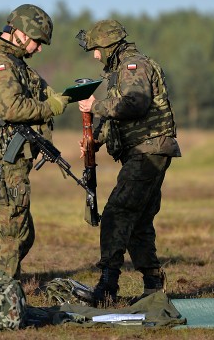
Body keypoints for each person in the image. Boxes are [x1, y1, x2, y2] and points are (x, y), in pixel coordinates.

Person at [76, 20, 181, 306]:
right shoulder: (121, 70)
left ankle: (108, 285)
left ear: (109, 46)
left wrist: (94, 106)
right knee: (138, 221)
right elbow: (121, 115)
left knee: (117, 213)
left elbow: (135, 104)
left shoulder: (133, 66)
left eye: (97, 50)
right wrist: (96, 139)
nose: (95, 55)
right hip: (146, 150)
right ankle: (152, 286)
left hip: (148, 151)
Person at [0, 4, 69, 279]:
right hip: (1, 161)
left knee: (23, 232)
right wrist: (51, 107)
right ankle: (0, 296)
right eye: (37, 41)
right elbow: (12, 108)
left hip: (12, 160)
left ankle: (2, 285)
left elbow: (38, 92)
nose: (39, 49)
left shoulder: (16, 63)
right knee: (12, 231)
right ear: (20, 33)